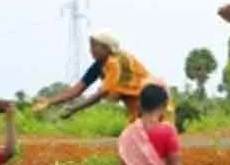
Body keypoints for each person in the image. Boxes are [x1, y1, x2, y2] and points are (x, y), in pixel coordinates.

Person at [33, 31, 165, 123]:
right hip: (137, 107)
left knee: (152, 141)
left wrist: (74, 108)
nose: (91, 50)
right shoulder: (99, 65)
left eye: (94, 46)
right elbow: (77, 90)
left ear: (107, 48)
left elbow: (101, 94)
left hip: (154, 102)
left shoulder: (115, 62)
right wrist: (50, 102)